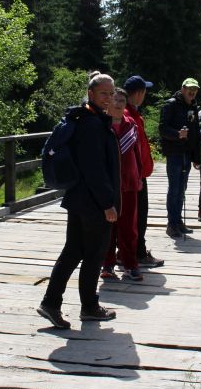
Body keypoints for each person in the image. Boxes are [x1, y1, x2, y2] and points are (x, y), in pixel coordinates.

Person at [37, 72, 119, 329]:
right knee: (94, 254)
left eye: (111, 93)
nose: (108, 98)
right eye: (103, 93)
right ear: (91, 93)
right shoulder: (92, 124)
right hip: (93, 202)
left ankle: (51, 303)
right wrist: (107, 203)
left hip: (78, 198)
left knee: (73, 251)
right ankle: (89, 307)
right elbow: (94, 169)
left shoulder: (86, 118)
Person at [101, 88, 144, 282]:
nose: (118, 103)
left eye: (122, 101)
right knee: (108, 225)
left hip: (129, 182)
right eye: (115, 99)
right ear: (109, 101)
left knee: (129, 227)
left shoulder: (131, 124)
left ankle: (130, 265)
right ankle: (107, 263)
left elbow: (137, 152)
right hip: (108, 184)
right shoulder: (102, 124)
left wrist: (139, 176)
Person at [123, 75, 164, 267]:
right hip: (135, 175)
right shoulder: (129, 115)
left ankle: (127, 251)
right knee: (138, 217)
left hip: (137, 173)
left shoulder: (131, 113)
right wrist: (138, 174)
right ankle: (138, 252)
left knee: (134, 216)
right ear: (139, 93)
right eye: (144, 91)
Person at [159, 78, 201, 238]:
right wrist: (177, 134)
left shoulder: (193, 107)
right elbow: (162, 129)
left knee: (182, 188)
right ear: (183, 89)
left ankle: (178, 222)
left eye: (195, 89)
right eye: (190, 89)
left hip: (186, 154)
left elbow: (195, 132)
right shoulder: (170, 104)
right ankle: (171, 224)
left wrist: (197, 156)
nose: (192, 92)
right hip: (174, 153)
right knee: (174, 189)